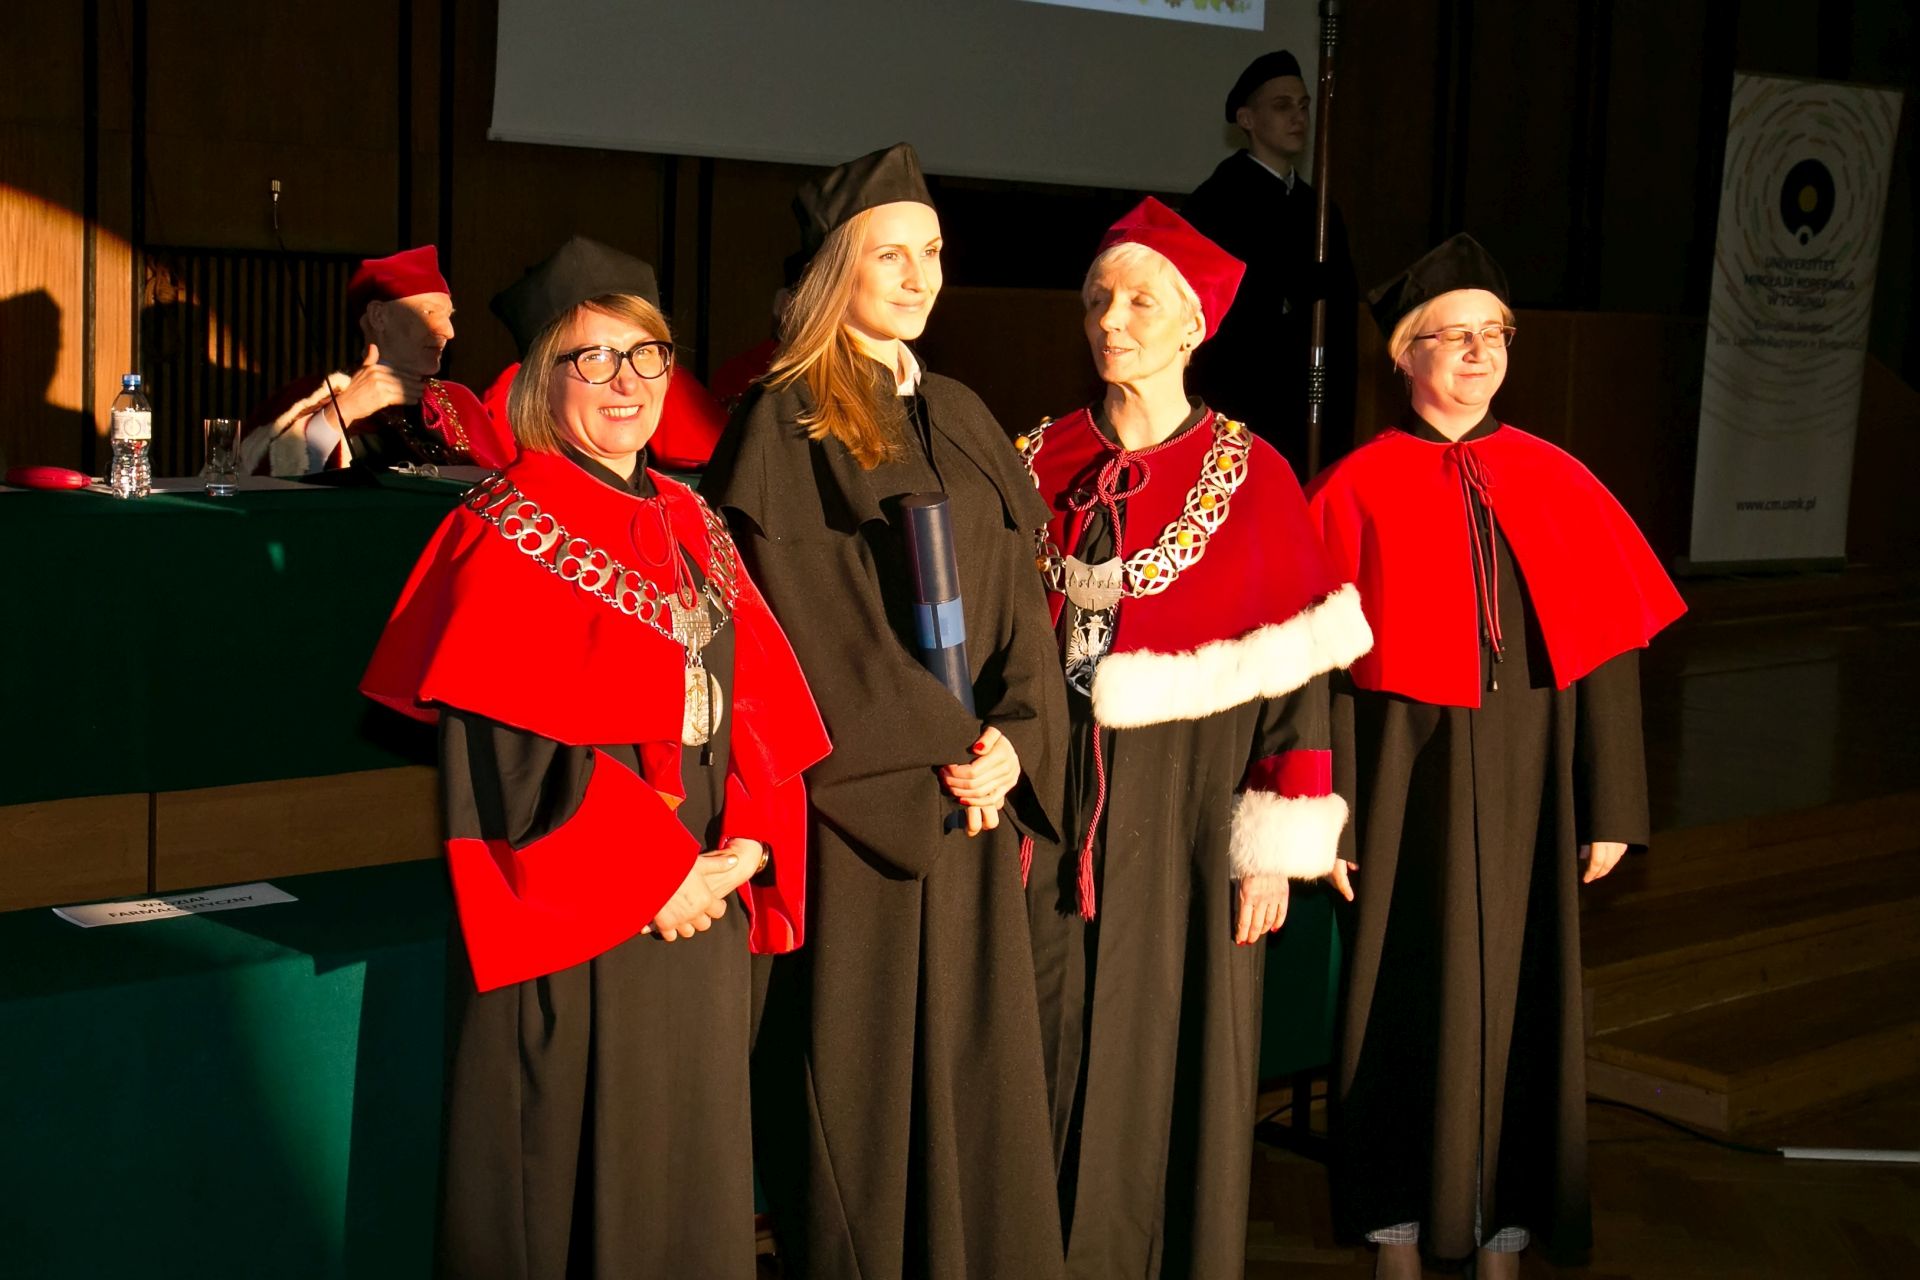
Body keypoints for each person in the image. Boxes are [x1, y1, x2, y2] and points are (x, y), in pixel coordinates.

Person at [359, 235, 829, 1279]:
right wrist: (660, 875)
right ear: (540, 380)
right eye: (595, 358)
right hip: (577, 929)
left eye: (647, 354)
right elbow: (507, 770)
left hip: (702, 910)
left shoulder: (692, 517)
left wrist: (750, 843)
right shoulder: (502, 530)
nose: (628, 383)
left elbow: (758, 709)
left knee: (687, 1196)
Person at [701, 142, 1069, 1280]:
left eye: (933, 253)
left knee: (978, 1087)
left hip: (975, 802)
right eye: (890, 255)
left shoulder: (958, 409)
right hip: (867, 819)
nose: (919, 278)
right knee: (866, 1106)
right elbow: (815, 636)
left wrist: (1018, 738)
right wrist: (953, 749)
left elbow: (1024, 605)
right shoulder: (784, 421)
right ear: (834, 271)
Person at [1306, 235, 1686, 1278]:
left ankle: (1505, 1240)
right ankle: (1394, 1239)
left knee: (1529, 1002)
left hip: (1532, 782)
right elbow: (1314, 673)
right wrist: (1324, 810)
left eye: (1496, 334)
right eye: (1455, 335)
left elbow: (1607, 650)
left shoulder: (1557, 478)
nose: (1480, 353)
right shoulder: (1353, 488)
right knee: (1396, 998)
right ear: (1404, 353)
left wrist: (1612, 803)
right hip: (1400, 782)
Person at [1019, 197, 1372, 1280]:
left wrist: (1272, 841)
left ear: (1194, 326)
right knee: (1039, 1038)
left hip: (1189, 802)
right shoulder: (1032, 457)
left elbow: (1297, 670)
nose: (1110, 321)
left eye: (1139, 302)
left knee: (1170, 1049)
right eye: (1098, 299)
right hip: (1049, 807)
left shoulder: (1253, 473)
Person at [1183, 49, 1359, 476]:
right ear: (1247, 119)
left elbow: (1341, 316)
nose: (1298, 117)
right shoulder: (1216, 204)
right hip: (1244, 403)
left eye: (1303, 106)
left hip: (1309, 406)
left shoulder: (1319, 209)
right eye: (1282, 106)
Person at [239, 244, 510, 476]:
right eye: (429, 312)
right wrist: (338, 414)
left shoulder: (459, 401)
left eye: (448, 316)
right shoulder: (312, 395)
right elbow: (263, 482)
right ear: (379, 317)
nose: (448, 332)